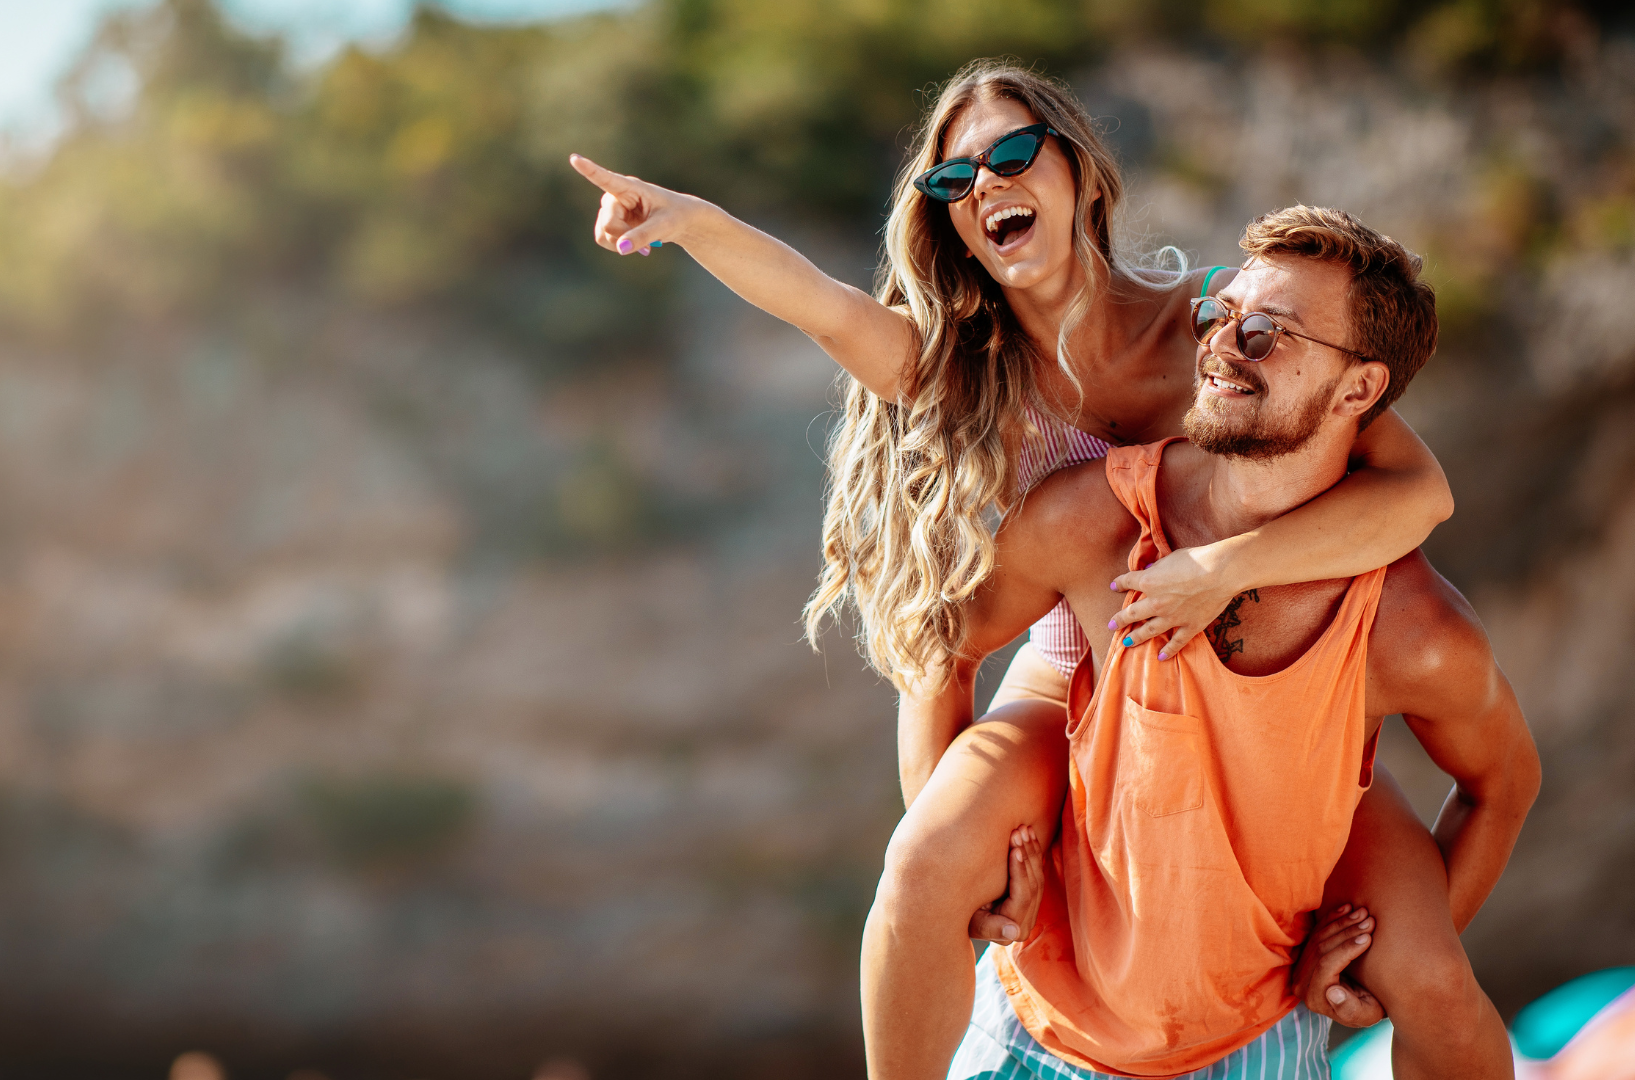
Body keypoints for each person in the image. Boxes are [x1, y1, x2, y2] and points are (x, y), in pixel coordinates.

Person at [569, 62, 1478, 1074]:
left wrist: (1222, 569)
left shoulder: (1221, 319)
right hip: (1075, 656)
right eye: (953, 182)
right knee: (921, 864)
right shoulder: (965, 373)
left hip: (1260, 667)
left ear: (1080, 172)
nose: (986, 184)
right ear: (953, 224)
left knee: (1427, 963)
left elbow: (1417, 494)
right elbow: (819, 307)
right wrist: (691, 222)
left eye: (1011, 153)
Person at [869, 206, 1541, 1080]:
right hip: (1038, 1031)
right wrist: (975, 871)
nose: (1222, 347)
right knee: (919, 858)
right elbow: (940, 647)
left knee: (1442, 992)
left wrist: (1381, 972)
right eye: (1218, 316)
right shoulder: (1095, 518)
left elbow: (1504, 782)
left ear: (1358, 391)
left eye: (1264, 334)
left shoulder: (1410, 631)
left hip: (1250, 1041)